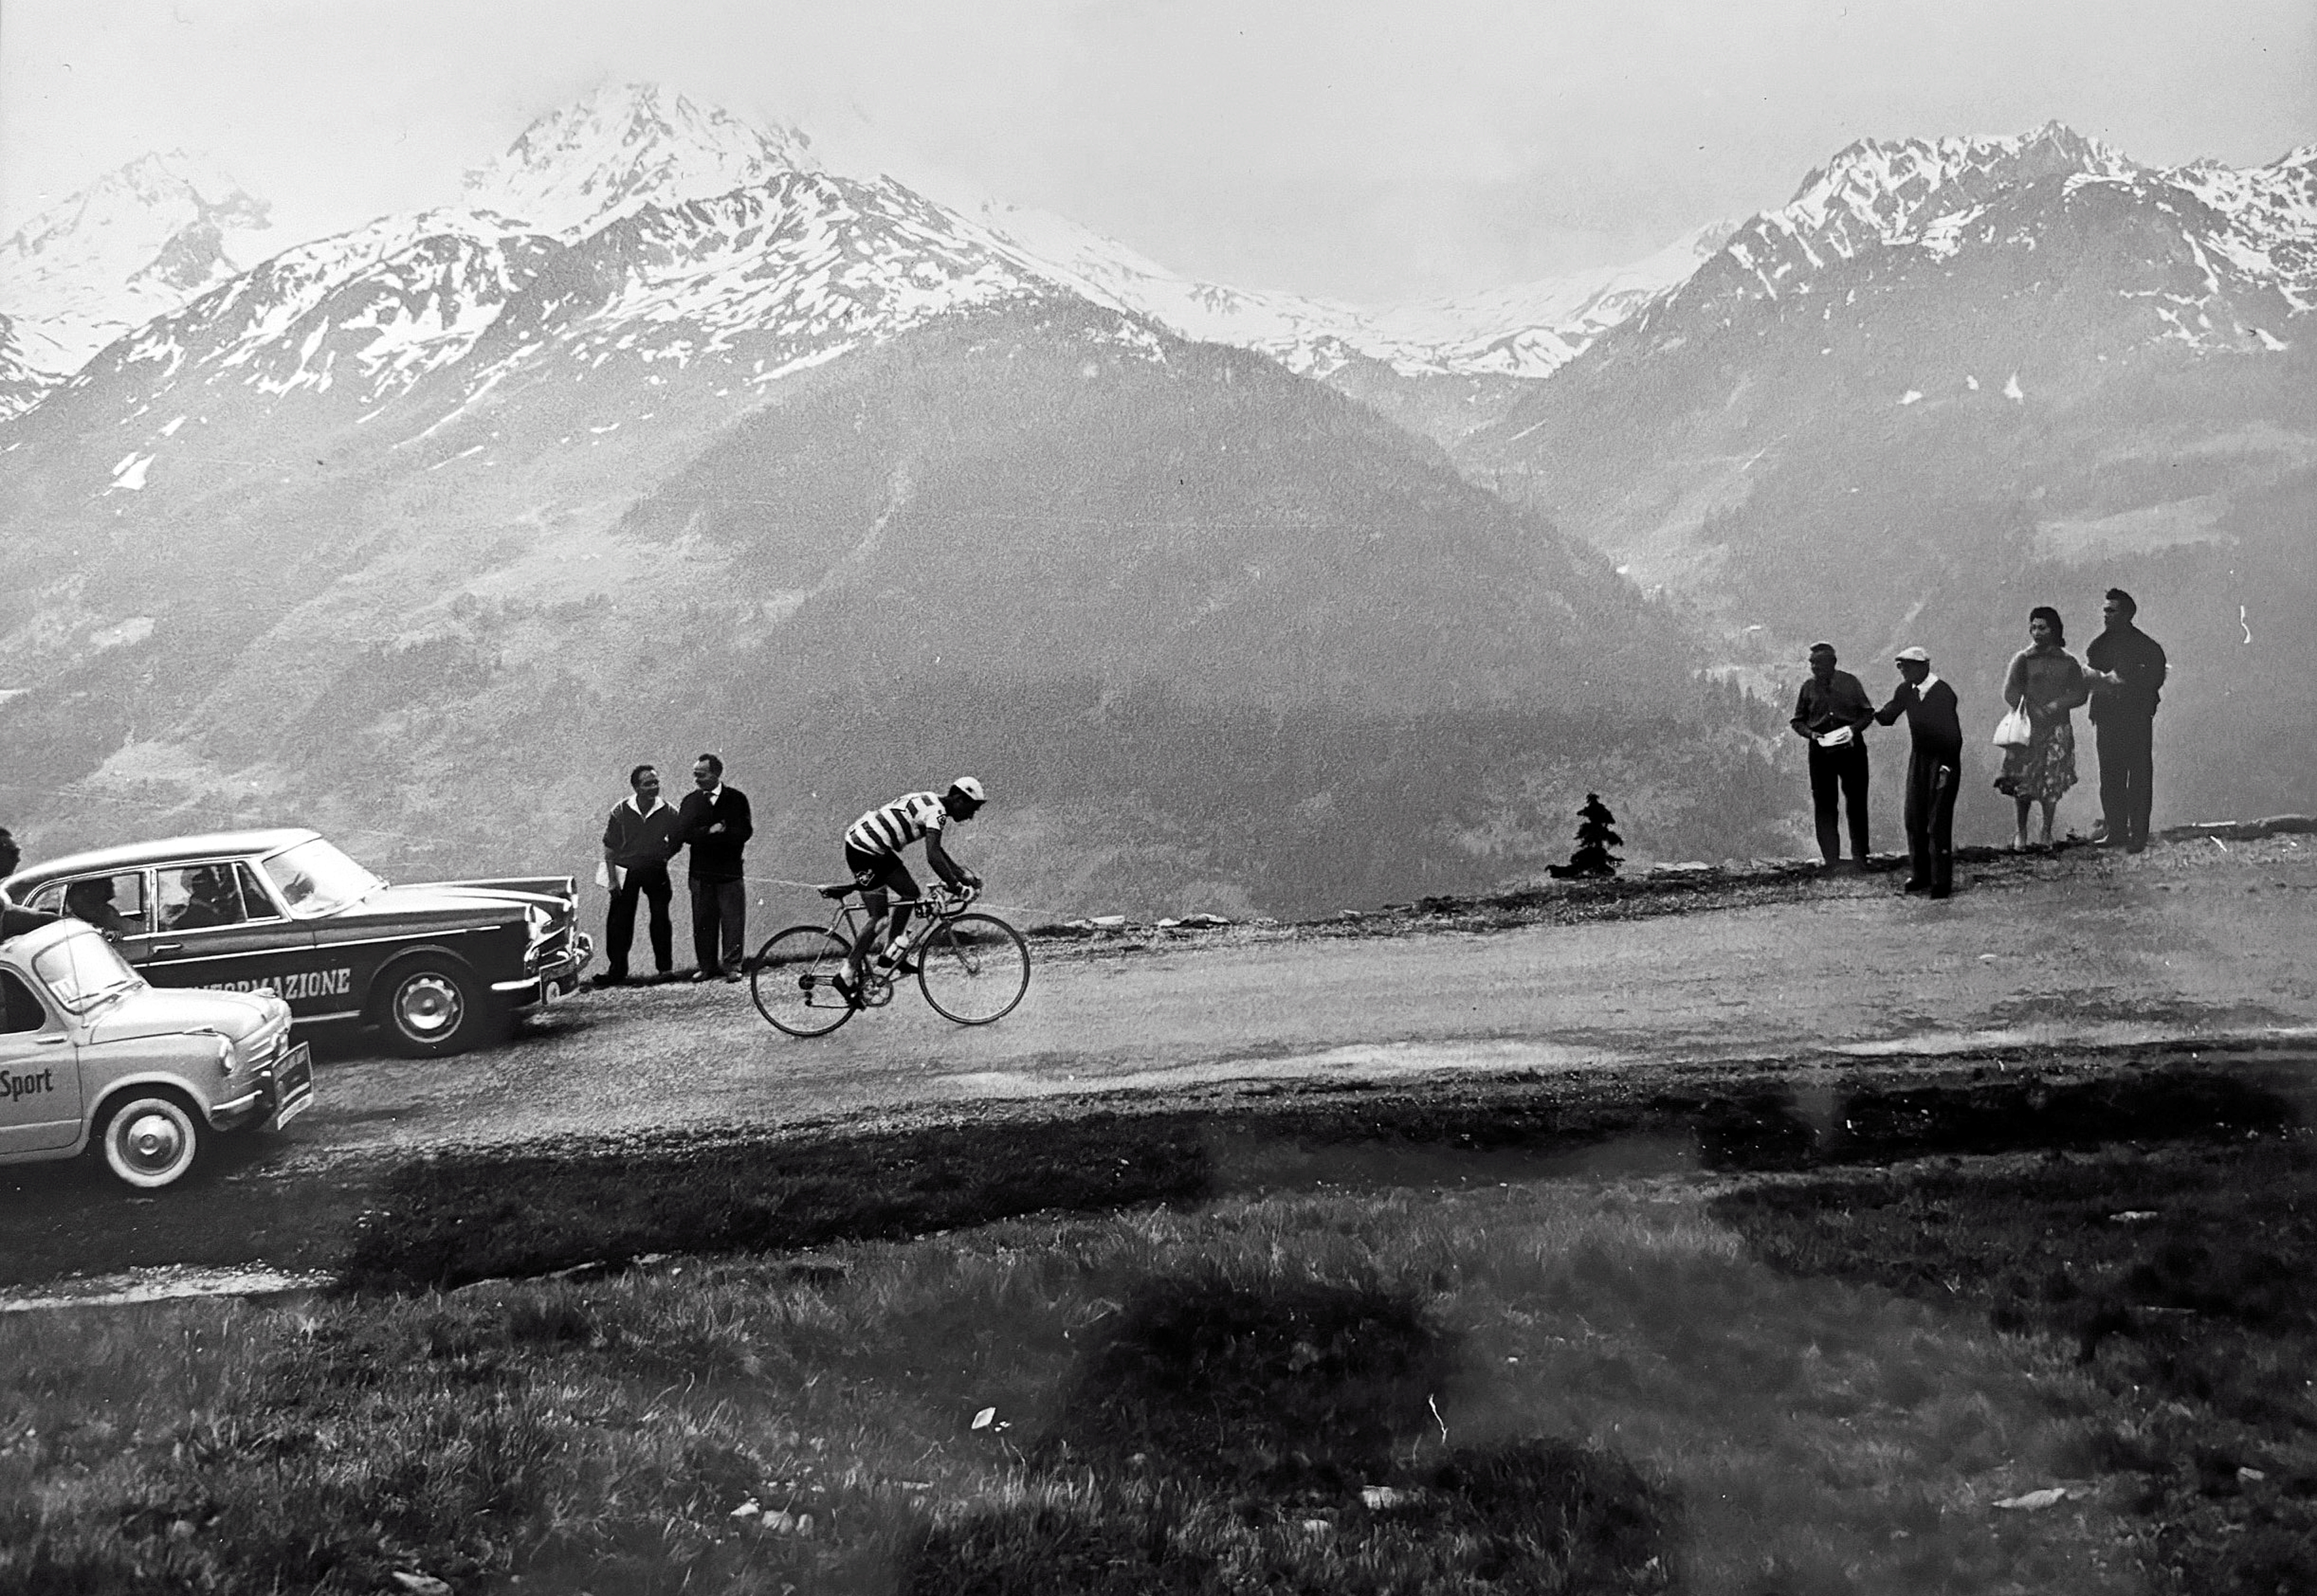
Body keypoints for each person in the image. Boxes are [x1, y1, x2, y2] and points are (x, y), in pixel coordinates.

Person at [839, 778, 986, 990]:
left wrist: (964, 878)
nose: (971, 816)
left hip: (878, 848)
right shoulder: (938, 813)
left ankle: (891, 950)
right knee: (879, 918)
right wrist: (958, 888)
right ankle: (847, 973)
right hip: (862, 850)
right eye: (971, 809)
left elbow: (939, 853)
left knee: (910, 893)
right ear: (958, 799)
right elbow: (933, 857)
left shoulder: (932, 801)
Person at [1995, 605, 2092, 849]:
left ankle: (2046, 832)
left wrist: (2058, 704)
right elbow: (2011, 691)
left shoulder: (2068, 662)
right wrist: (2029, 707)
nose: (2037, 633)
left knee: (2052, 781)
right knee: (2024, 781)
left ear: (2054, 630)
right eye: (2034, 627)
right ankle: (2021, 833)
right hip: (2028, 729)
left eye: (2043, 628)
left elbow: (2080, 693)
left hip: (2057, 728)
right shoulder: (2024, 660)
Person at [1873, 646, 1963, 899]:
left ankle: (1941, 881)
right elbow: (1889, 716)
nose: (1903, 672)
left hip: (1943, 760)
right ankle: (1921, 874)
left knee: (1938, 821)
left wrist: (1947, 767)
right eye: (1900, 667)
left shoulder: (1943, 693)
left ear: (1924, 667)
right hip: (1920, 760)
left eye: (1908, 667)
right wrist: (1867, 713)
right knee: (1914, 817)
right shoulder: (1907, 691)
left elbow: (1954, 736)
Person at [2083, 587, 2166, 854]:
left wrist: (2126, 684)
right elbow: (2090, 679)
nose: (2106, 615)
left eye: (2112, 610)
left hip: (2136, 719)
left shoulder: (2148, 648)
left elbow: (2155, 680)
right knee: (2110, 776)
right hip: (2107, 719)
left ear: (2128, 614)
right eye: (2105, 610)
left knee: (2139, 776)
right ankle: (2116, 832)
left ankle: (2138, 834)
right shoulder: (2098, 646)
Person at [1790, 642, 1876, 869]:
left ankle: (1861, 857)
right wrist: (1813, 734)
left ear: (1833, 664)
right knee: (1825, 805)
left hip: (1852, 751)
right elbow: (1797, 721)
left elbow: (1868, 713)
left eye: (1820, 664)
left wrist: (1852, 731)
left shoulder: (1850, 683)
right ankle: (1832, 860)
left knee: (1856, 803)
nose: (1816, 669)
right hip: (1821, 753)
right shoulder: (1808, 688)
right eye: (1813, 664)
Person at [671, 753, 754, 982]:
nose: (696, 780)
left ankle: (733, 966)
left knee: (733, 921)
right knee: (703, 922)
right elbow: (684, 833)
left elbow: (744, 832)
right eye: (695, 775)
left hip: (730, 873)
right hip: (700, 874)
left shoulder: (737, 799)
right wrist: (710, 831)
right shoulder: (690, 802)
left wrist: (715, 835)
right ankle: (706, 967)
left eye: (701, 775)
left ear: (716, 774)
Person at [598, 763, 680, 986]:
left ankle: (665, 970)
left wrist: (665, 856)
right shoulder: (621, 811)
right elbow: (610, 848)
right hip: (627, 870)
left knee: (661, 919)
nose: (654, 787)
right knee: (619, 922)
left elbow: (678, 838)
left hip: (656, 870)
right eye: (648, 784)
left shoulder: (668, 810)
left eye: (656, 782)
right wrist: (613, 881)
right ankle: (617, 971)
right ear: (636, 787)